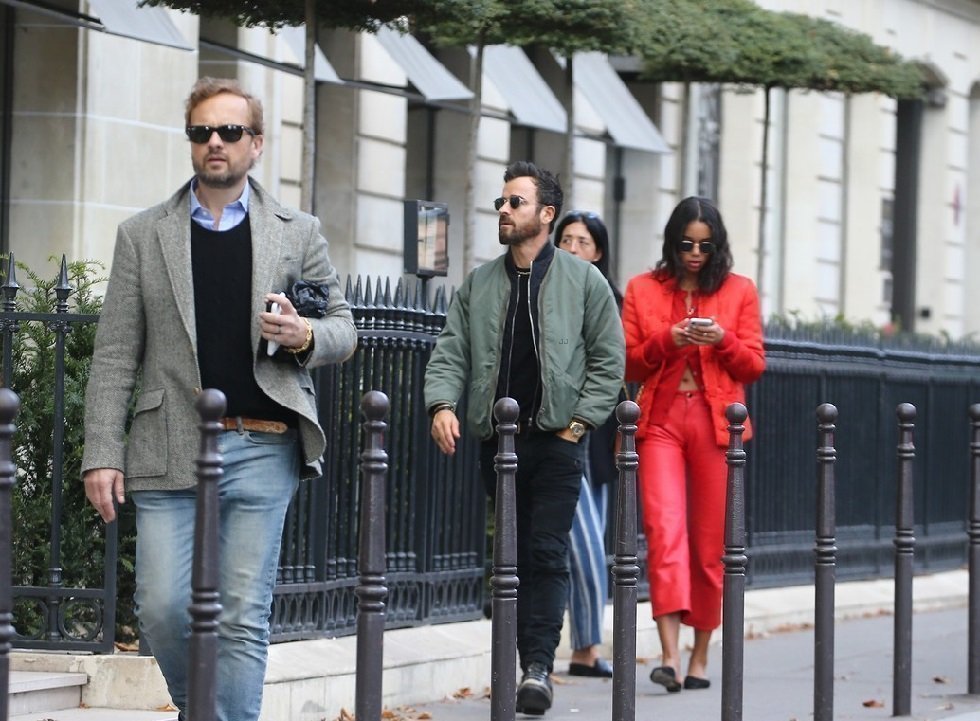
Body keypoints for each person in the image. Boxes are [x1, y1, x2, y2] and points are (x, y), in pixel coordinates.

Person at [80, 77, 357, 721]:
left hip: (265, 442)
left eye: (230, 131)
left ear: (255, 144)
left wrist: (304, 335)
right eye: (202, 131)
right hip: (168, 441)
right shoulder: (143, 235)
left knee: (239, 616)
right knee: (160, 608)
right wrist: (102, 451)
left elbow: (343, 329)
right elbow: (115, 353)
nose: (215, 142)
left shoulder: (298, 232)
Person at [424, 161, 624, 715]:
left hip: (559, 441)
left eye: (516, 202)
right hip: (500, 444)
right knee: (511, 558)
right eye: (502, 202)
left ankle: (538, 667)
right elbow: (451, 351)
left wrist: (578, 424)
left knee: (547, 550)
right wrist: (442, 405)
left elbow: (609, 361)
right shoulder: (480, 283)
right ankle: (523, 663)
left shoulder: (585, 282)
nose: (504, 211)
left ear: (546, 213)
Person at [622, 196, 764, 693]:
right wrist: (671, 339)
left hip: (715, 423)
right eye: (686, 245)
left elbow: (753, 365)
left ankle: (701, 653)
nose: (695, 254)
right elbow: (629, 362)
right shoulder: (642, 289)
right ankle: (669, 656)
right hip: (660, 420)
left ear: (717, 246)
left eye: (705, 246)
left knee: (709, 546)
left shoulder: (739, 290)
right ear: (672, 243)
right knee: (663, 532)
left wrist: (721, 338)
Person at [553, 210, 623, 678]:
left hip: (594, 435)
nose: (573, 248)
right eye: (567, 239)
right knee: (579, 545)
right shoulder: (543, 291)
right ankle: (585, 647)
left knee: (590, 541)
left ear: (598, 252)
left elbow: (614, 369)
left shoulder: (610, 300)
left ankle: (585, 647)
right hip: (552, 433)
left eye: (583, 242)